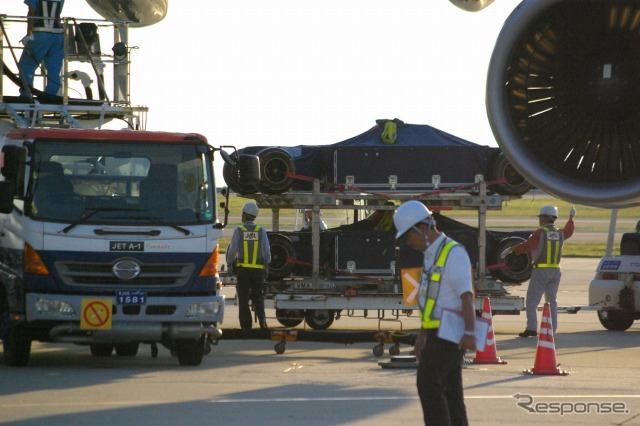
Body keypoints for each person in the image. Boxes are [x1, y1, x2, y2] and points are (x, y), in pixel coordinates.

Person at [393, 200, 476, 425]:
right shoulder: (432, 254)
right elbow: (431, 301)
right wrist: (422, 335)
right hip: (435, 333)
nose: (409, 243)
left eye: (409, 237)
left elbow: (466, 296)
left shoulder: (453, 253)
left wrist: (470, 331)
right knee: (451, 391)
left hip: (449, 333)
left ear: (422, 228)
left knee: (427, 383)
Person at [501, 205, 575, 337]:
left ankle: (531, 328)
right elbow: (569, 231)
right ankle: (551, 330)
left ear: (546, 217)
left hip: (541, 271)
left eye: (541, 216)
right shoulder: (560, 233)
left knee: (532, 301)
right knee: (552, 301)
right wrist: (571, 218)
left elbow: (527, 246)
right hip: (556, 271)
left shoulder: (540, 232)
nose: (540, 219)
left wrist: (512, 249)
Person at [226, 202, 271, 333]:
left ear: (245, 215)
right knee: (258, 296)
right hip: (258, 271)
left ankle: (246, 327)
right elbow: (266, 252)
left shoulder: (239, 231)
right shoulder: (261, 231)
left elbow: (233, 250)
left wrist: (229, 263)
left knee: (244, 298)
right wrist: (267, 264)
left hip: (243, 271)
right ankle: (262, 321)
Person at [18, 0, 65, 96]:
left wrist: (29, 34)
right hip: (58, 35)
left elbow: (31, 12)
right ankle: (50, 95)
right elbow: (58, 14)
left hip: (40, 33)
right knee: (54, 68)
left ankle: (26, 94)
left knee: (27, 65)